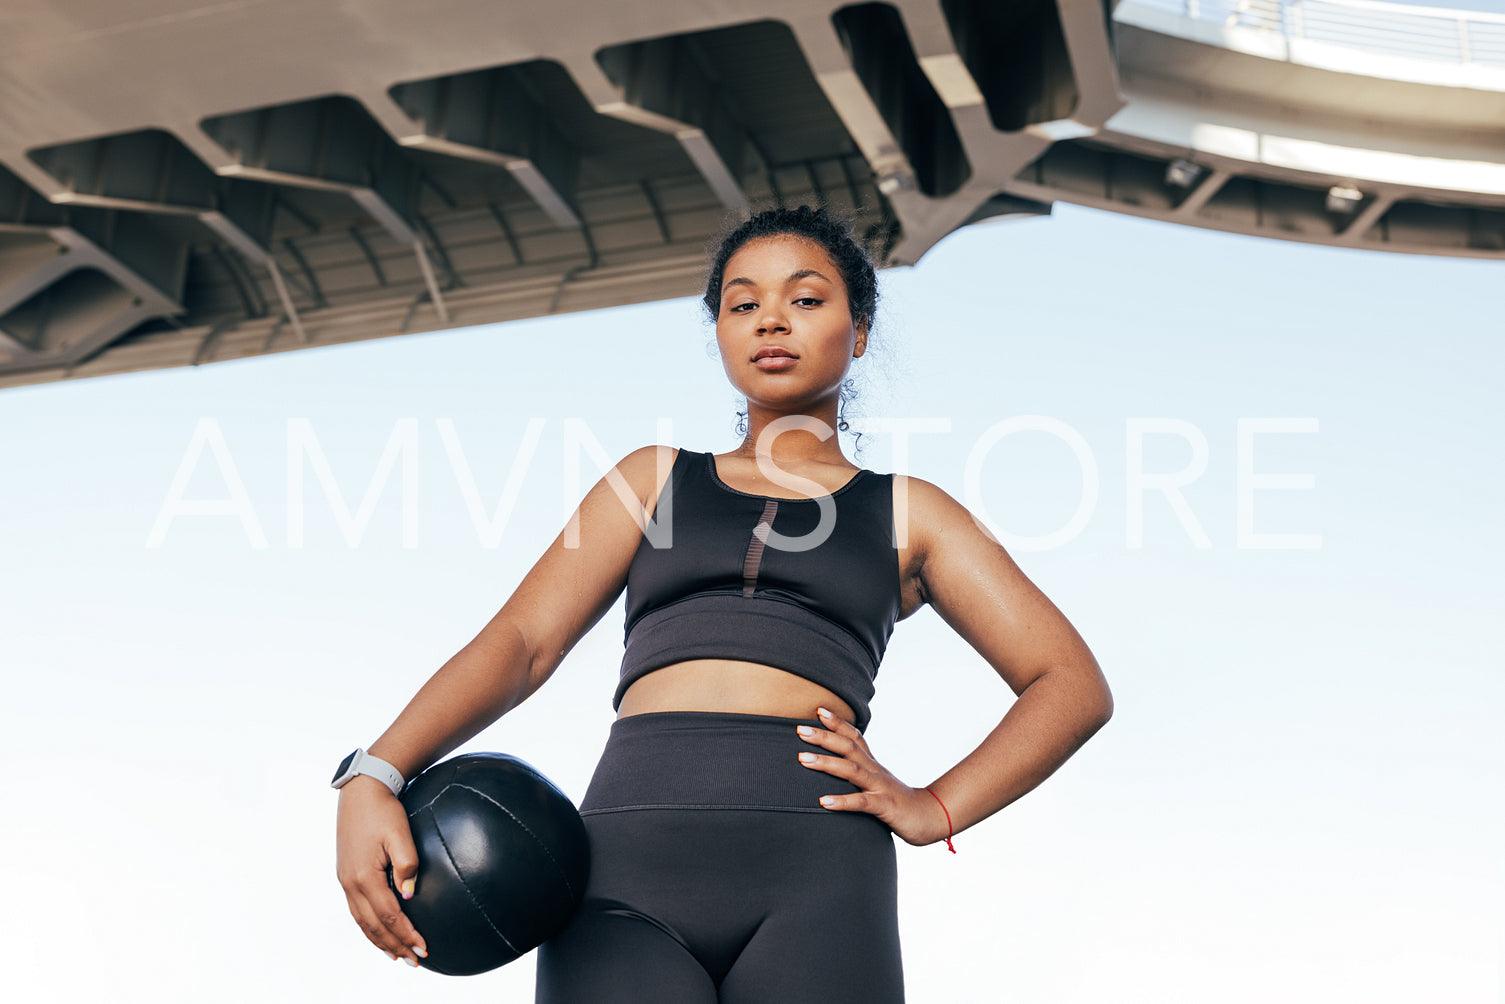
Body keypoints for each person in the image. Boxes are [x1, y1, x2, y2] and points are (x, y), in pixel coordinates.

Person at [334, 204, 1113, 1002]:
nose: (771, 319)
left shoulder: (914, 514)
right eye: (743, 304)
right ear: (718, 333)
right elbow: (521, 642)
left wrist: (935, 806)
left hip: (818, 874)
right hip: (622, 875)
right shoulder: (650, 479)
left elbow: (1070, 683)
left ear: (862, 328)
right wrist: (374, 775)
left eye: (806, 300)